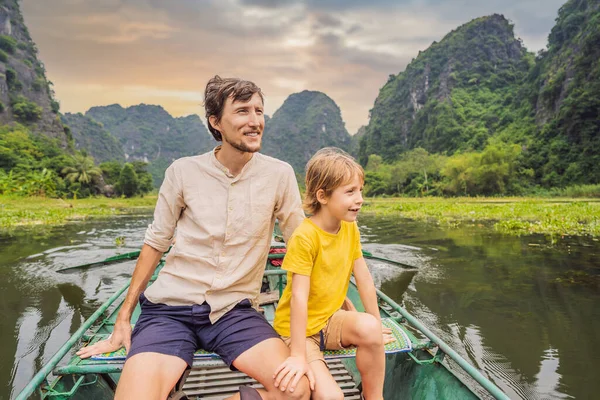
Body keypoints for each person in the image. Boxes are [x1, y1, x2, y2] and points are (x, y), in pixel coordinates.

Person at [77, 76, 309, 400]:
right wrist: (124, 317)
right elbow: (156, 242)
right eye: (242, 111)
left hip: (234, 310)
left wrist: (338, 307)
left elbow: (302, 247)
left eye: (259, 110)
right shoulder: (182, 171)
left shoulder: (279, 174)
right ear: (216, 122)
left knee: (297, 389)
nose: (255, 121)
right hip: (169, 309)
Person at [272, 148, 392, 400]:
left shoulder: (350, 228)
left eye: (360, 190)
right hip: (300, 331)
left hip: (330, 319)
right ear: (322, 196)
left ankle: (373, 397)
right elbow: (298, 298)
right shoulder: (305, 237)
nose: (359, 199)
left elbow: (364, 279)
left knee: (371, 328)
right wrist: (297, 355)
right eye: (350, 192)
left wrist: (377, 327)